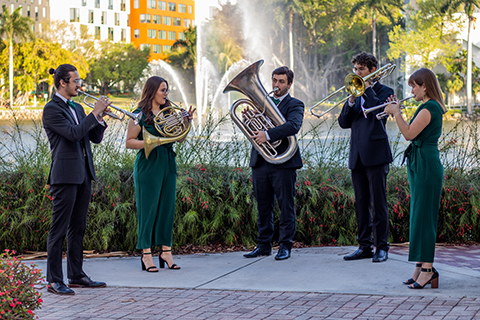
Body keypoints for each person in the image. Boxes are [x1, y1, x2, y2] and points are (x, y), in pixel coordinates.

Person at [43, 64, 111, 295]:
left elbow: (93, 137)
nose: (79, 85)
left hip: (83, 173)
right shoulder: (51, 109)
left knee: (78, 227)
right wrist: (94, 113)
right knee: (58, 229)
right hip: (64, 175)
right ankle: (54, 279)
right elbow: (72, 134)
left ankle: (76, 275)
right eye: (76, 81)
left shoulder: (79, 108)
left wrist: (99, 117)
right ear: (63, 82)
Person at [383, 68, 446, 289]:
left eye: (414, 86)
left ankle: (428, 269)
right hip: (420, 162)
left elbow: (409, 134)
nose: (411, 90)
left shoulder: (429, 108)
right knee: (418, 216)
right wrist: (396, 110)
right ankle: (420, 267)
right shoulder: (426, 107)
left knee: (425, 217)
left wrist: (397, 113)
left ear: (425, 86)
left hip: (426, 164)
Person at [126, 76, 194, 272]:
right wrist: (152, 142)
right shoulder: (138, 115)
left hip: (168, 162)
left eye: (167, 90)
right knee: (148, 210)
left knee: (167, 208)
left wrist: (186, 123)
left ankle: (166, 251)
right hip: (148, 164)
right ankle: (146, 254)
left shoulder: (170, 112)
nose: (166, 94)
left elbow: (179, 139)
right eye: (163, 90)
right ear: (152, 91)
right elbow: (129, 142)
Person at [243, 66, 304, 261]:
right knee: (263, 205)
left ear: (289, 84)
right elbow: (255, 132)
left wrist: (267, 134)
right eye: (274, 80)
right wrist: (248, 121)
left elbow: (293, 126)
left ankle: (285, 246)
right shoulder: (261, 104)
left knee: (285, 205)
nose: (276, 85)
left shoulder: (296, 104)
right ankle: (263, 245)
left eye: (281, 82)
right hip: (261, 160)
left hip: (283, 162)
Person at [338, 52, 394, 263]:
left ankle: (382, 247)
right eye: (355, 69)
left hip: (377, 154)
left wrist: (367, 88)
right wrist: (351, 100)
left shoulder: (385, 91)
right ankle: (364, 246)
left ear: (372, 70)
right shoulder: (354, 93)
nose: (357, 73)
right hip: (357, 155)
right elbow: (343, 122)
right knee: (361, 203)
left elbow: (378, 112)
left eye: (361, 69)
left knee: (379, 203)